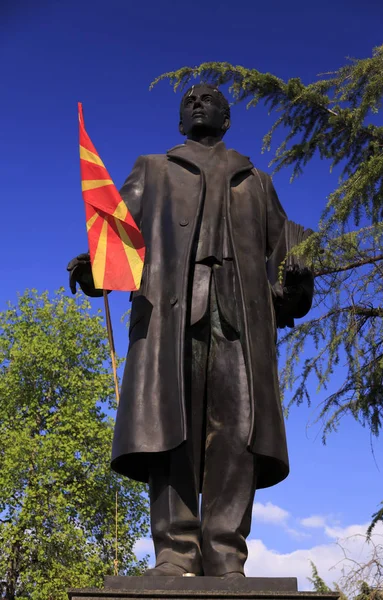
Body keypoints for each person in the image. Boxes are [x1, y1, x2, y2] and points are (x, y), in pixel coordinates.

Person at [67, 84, 313, 578]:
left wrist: (301, 277)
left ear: (227, 118)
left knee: (238, 432)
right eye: (189, 100)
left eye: (210, 98)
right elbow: (120, 237)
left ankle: (225, 553)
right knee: (169, 431)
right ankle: (175, 553)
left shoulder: (257, 182)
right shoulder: (152, 170)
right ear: (181, 123)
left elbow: (287, 264)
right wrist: (95, 267)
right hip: (168, 314)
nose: (198, 102)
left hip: (241, 318)